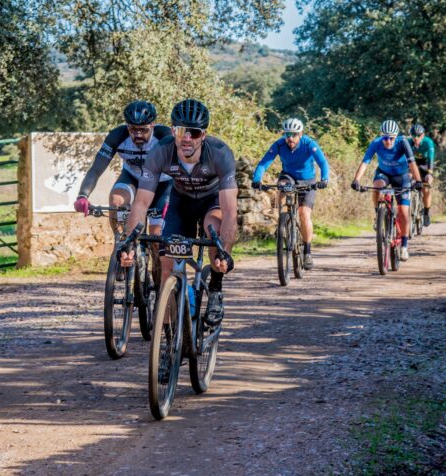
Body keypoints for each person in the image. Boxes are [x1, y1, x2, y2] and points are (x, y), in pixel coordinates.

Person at [120, 99, 236, 328]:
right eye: (180, 131)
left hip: (210, 202)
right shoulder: (160, 151)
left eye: (193, 132)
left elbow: (230, 211)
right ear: (172, 130)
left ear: (203, 135)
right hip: (180, 204)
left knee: (213, 228)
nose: (186, 138)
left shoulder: (220, 153)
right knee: (166, 266)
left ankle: (215, 290)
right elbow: (141, 202)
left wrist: (225, 251)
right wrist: (129, 243)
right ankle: (164, 340)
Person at [74, 101, 173, 237]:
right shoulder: (117, 136)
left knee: (156, 237)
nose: (138, 134)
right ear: (127, 126)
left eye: (143, 130)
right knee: (116, 202)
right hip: (133, 178)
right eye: (133, 129)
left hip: (162, 183)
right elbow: (96, 170)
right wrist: (82, 196)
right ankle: (119, 241)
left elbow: (182, 166)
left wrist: (176, 199)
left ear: (152, 125)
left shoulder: (165, 136)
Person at [251, 117, 329, 270]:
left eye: (293, 135)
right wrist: (256, 179)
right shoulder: (279, 145)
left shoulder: (309, 144)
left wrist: (324, 179)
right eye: (287, 134)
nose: (290, 138)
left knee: (304, 214)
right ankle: (281, 220)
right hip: (289, 177)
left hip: (308, 181)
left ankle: (307, 252)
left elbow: (323, 162)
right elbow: (264, 163)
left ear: (300, 134)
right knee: (281, 186)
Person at [350, 120, 423, 262]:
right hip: (384, 173)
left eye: (391, 138)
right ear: (381, 136)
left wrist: (418, 181)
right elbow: (365, 162)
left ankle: (404, 247)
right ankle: (378, 212)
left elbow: (412, 163)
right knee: (377, 186)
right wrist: (356, 180)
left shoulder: (403, 142)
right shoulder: (376, 143)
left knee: (403, 211)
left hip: (401, 177)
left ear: (396, 137)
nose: (388, 141)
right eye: (385, 138)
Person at [409, 124, 435, 226]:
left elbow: (431, 158)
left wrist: (430, 174)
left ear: (423, 135)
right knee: (408, 179)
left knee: (426, 188)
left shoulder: (428, 142)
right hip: (412, 163)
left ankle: (426, 213)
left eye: (418, 135)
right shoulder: (408, 142)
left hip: (425, 164)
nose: (416, 138)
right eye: (413, 135)